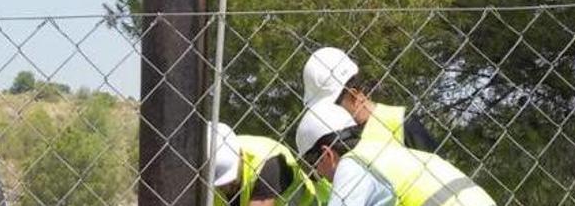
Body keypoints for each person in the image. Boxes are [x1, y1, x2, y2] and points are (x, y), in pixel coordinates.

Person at [296, 102, 496, 206]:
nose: (321, 177)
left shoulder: (351, 165)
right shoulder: (384, 151)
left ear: (327, 154)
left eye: (314, 166)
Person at [303, 47, 438, 152]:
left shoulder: (402, 124)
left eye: (334, 106)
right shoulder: (339, 141)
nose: (327, 114)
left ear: (354, 95)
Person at [209, 122, 318, 206]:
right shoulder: (204, 160)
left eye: (229, 179)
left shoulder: (270, 163)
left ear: (240, 156)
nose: (225, 186)